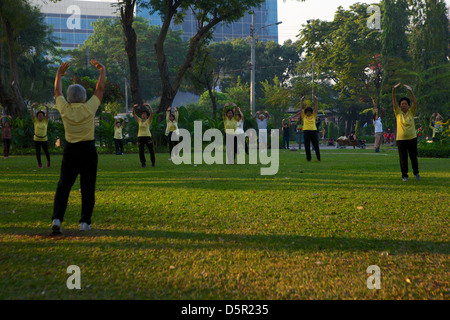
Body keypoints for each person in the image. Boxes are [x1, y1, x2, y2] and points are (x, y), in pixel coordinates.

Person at [51, 59, 106, 234]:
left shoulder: (64, 109)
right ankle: (84, 223)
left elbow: (57, 91)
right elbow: (99, 89)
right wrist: (102, 71)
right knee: (88, 187)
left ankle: (57, 220)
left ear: (69, 97)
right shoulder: (89, 108)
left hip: (70, 150)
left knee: (64, 186)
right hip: (88, 150)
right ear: (83, 97)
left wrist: (59, 75)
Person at [392, 83, 420, 182]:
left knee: (413, 157)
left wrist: (411, 91)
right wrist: (393, 90)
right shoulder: (398, 113)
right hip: (401, 140)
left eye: (405, 104)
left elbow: (415, 103)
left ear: (408, 105)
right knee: (403, 158)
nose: (403, 105)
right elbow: (394, 102)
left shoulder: (411, 112)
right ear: (400, 106)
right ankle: (405, 176)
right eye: (402, 104)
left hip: (412, 138)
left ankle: (416, 173)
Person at [133, 103, 155, 168]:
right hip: (140, 137)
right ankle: (143, 163)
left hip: (148, 137)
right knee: (141, 151)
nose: (143, 115)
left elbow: (152, 113)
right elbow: (134, 114)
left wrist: (149, 106)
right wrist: (134, 108)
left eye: (145, 114)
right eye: (143, 114)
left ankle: (153, 162)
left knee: (151, 150)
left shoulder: (148, 121)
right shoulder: (139, 120)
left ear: (147, 116)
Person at [300, 95, 320, 161]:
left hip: (313, 131)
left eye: (309, 112)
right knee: (307, 146)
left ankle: (318, 158)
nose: (308, 113)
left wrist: (316, 101)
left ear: (311, 112)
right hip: (306, 132)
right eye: (307, 112)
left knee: (316, 145)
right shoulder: (304, 116)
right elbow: (300, 109)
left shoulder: (313, 116)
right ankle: (308, 158)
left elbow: (316, 108)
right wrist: (301, 101)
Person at [31, 103, 51, 168]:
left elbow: (47, 115)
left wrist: (47, 108)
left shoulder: (45, 121)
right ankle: (39, 164)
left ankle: (48, 161)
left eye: (42, 115)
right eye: (39, 116)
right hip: (37, 139)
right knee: (38, 153)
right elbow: (32, 115)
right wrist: (32, 107)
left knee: (46, 152)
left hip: (44, 139)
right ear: (37, 117)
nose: (40, 117)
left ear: (43, 116)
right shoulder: (35, 121)